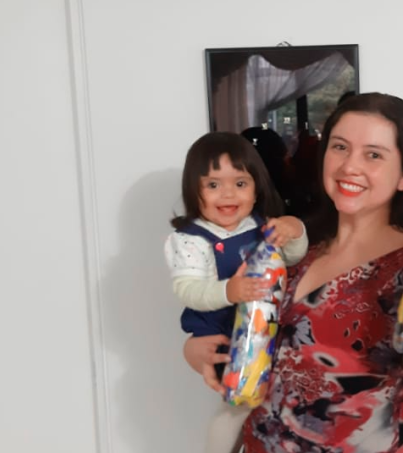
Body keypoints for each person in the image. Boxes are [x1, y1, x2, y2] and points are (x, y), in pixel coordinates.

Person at [187, 92, 403, 453]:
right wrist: (198, 349)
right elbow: (246, 330)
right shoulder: (291, 247)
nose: (350, 166)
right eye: (340, 147)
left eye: (374, 155)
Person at [164, 132, 308, 453]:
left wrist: (294, 229)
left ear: (257, 190)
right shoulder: (191, 240)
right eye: (213, 185)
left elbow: (293, 256)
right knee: (238, 406)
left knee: (268, 402)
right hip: (225, 335)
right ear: (193, 191)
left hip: (265, 328)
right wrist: (229, 290)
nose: (228, 194)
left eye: (240, 183)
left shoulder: (260, 226)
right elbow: (187, 290)